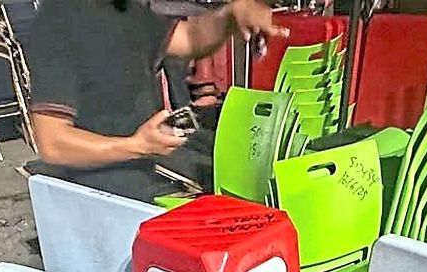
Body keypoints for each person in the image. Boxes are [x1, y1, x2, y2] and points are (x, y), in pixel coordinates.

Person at [21, 0, 287, 201]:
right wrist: (137, 146)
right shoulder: (57, 23)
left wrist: (232, 13)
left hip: (150, 157)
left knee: (252, 175)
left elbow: (191, 38)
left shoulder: (125, 9)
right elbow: (53, 143)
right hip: (100, 178)